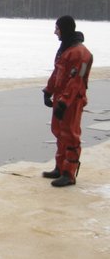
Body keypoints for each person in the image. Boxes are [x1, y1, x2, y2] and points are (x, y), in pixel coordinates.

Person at [42, 15, 93, 187]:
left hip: (72, 100)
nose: (55, 32)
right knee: (58, 131)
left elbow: (77, 80)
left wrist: (64, 102)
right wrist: (48, 91)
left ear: (65, 29)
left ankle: (69, 173)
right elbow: (57, 73)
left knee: (70, 135)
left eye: (57, 28)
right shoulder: (65, 49)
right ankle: (59, 167)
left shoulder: (81, 54)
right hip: (60, 97)